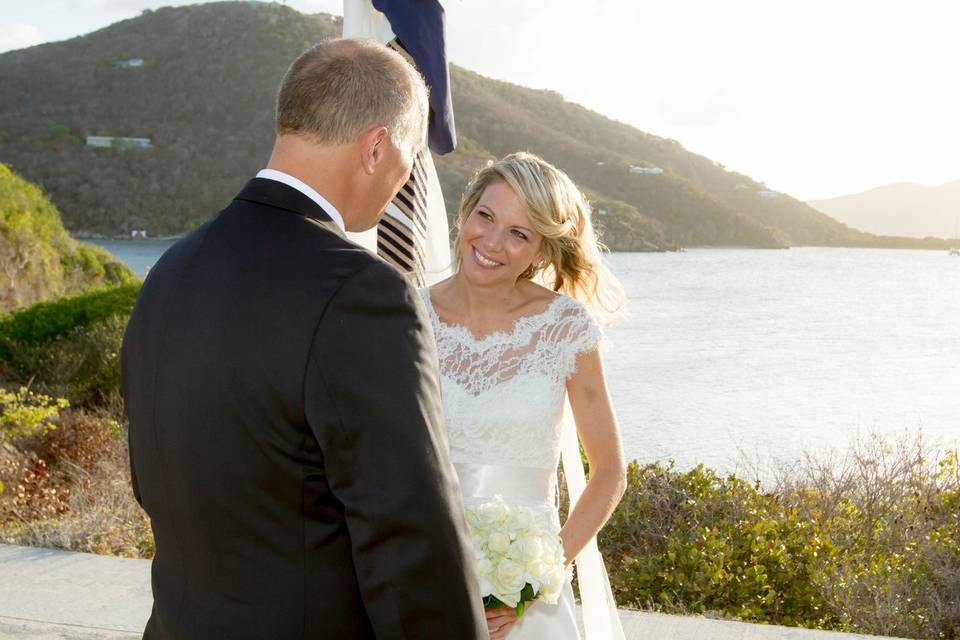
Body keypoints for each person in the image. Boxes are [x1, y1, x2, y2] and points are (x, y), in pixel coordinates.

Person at [121, 39, 486, 639]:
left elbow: (151, 476)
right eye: (411, 157)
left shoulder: (171, 270)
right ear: (376, 146)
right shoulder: (360, 291)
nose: (403, 180)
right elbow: (409, 537)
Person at [421, 152, 628, 639]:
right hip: (424, 580)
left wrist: (535, 580)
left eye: (519, 233)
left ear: (540, 250)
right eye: (486, 217)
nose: (492, 242)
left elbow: (610, 473)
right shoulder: (406, 311)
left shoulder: (566, 329)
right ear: (466, 213)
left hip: (526, 606)